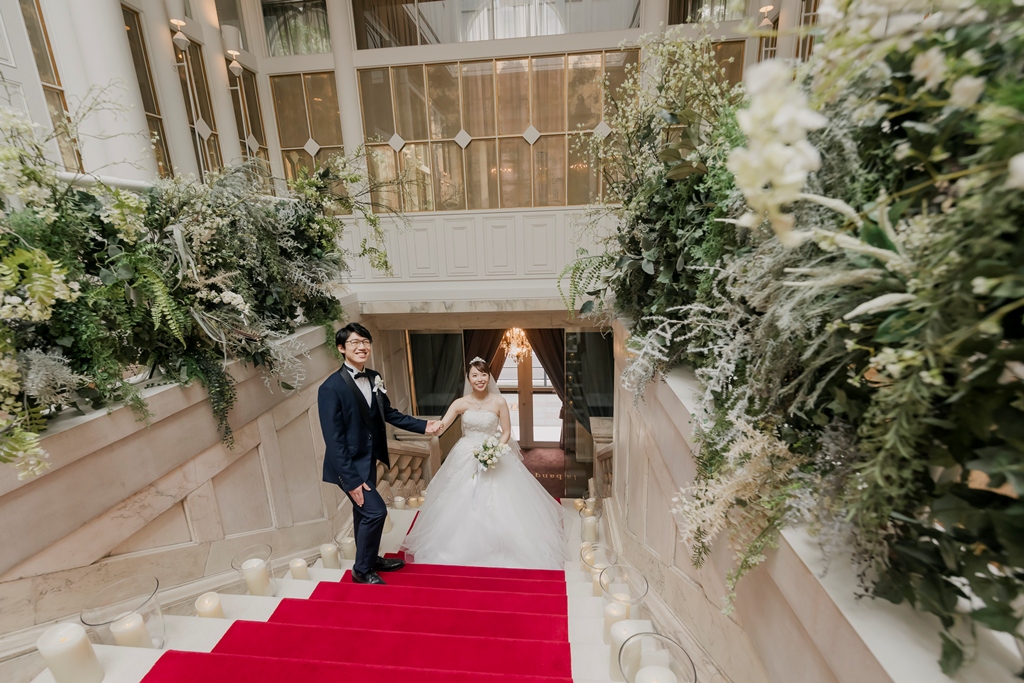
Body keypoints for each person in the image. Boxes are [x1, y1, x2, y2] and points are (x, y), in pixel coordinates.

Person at [402, 357, 569, 569]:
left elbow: (506, 431)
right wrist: (429, 427)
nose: (479, 379)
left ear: (489, 377)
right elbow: (442, 426)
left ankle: (504, 544)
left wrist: (494, 451)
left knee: (502, 500)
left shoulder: (498, 402)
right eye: (475, 375)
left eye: (483, 374)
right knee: (460, 497)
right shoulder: (460, 403)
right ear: (468, 379)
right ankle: (461, 547)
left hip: (492, 451)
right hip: (465, 453)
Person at [317, 322, 440, 584]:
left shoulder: (374, 377)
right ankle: (361, 571)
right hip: (348, 466)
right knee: (375, 512)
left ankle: (370, 559)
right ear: (341, 348)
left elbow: (389, 413)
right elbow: (334, 440)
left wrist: (423, 426)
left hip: (369, 459)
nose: (362, 347)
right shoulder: (330, 388)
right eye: (354, 342)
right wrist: (352, 481)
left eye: (365, 342)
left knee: (363, 513)